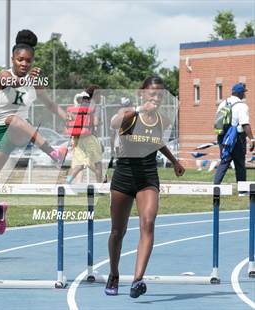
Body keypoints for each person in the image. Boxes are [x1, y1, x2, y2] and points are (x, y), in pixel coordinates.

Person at [0, 29, 69, 235]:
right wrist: (26, 80)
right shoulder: (3, 75)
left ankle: (54, 153)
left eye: (28, 60)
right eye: (20, 60)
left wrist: (68, 118)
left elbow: (51, 105)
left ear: (33, 61)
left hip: (20, 131)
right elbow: (13, 82)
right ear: (13, 59)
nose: (24, 64)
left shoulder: (34, 83)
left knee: (14, 119)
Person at [106, 76, 185, 298]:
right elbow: (114, 122)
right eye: (152, 94)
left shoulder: (160, 119)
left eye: (160, 95)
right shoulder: (131, 114)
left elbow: (158, 141)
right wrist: (141, 108)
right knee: (117, 231)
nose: (156, 98)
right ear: (142, 93)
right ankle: (114, 274)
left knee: (148, 223)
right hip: (124, 176)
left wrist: (175, 160)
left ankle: (137, 280)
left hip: (148, 177)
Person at [214, 83, 254, 186]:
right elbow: (245, 124)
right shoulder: (241, 106)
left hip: (223, 137)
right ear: (239, 93)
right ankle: (242, 189)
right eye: (243, 93)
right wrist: (252, 139)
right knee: (240, 163)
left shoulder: (223, 103)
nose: (244, 95)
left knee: (224, 161)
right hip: (237, 138)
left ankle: (216, 185)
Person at [66, 86, 103, 184]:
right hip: (89, 137)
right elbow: (95, 123)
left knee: (79, 164)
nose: (101, 96)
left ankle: (68, 181)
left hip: (76, 138)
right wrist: (99, 122)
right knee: (98, 163)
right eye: (99, 94)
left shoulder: (77, 106)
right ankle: (100, 186)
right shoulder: (93, 106)